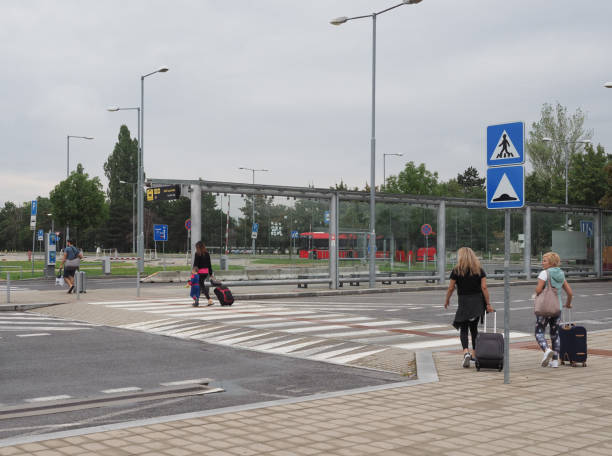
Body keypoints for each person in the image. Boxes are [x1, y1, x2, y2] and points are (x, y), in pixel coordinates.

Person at [444, 247, 494, 368]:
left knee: (463, 328)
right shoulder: (479, 270)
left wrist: (447, 299)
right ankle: (475, 354)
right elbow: (484, 288)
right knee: (474, 329)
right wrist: (488, 304)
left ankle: (465, 352)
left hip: (464, 303)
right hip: (477, 302)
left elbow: (451, 288)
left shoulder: (456, 270)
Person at [534, 251, 573, 368]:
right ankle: (555, 361)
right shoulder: (561, 273)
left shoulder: (544, 273)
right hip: (557, 308)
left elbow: (538, 290)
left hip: (544, 308)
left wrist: (538, 292)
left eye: (545, 260)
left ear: (551, 262)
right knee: (555, 334)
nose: (542, 262)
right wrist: (568, 304)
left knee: (539, 331)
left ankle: (546, 350)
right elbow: (570, 293)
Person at [193, 241, 214, 306]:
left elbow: (196, 264)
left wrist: (194, 272)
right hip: (205, 273)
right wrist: (210, 274)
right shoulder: (207, 253)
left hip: (199, 273)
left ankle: (199, 301)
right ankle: (200, 301)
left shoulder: (197, 254)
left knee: (199, 286)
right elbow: (209, 264)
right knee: (201, 286)